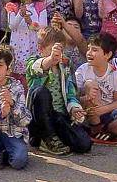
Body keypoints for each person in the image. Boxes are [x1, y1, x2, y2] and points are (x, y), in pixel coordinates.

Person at [25, 27, 92, 155]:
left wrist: (74, 108)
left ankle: (55, 137)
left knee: (84, 144)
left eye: (60, 51)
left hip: (59, 115)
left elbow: (71, 91)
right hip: (38, 119)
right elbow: (36, 68)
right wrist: (50, 59)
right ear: (41, 48)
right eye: (52, 51)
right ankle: (45, 137)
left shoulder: (66, 64)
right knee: (40, 92)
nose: (57, 56)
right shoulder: (32, 61)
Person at [75, 33, 117, 145]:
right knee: (91, 84)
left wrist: (102, 109)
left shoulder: (115, 72)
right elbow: (74, 97)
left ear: (107, 55)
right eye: (89, 49)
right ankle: (94, 128)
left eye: (95, 50)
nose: (89, 53)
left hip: (108, 112)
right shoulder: (82, 70)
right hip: (87, 113)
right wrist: (87, 99)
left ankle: (105, 131)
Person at [6, 0, 47, 79]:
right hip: (18, 45)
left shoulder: (40, 6)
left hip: (34, 44)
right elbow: (12, 26)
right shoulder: (13, 6)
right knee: (18, 76)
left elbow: (43, 28)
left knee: (34, 73)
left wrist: (30, 22)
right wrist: (20, 14)